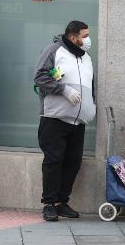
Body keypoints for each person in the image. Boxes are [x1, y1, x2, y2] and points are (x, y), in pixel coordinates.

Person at [34, 20, 96, 222]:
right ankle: (49, 204)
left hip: (78, 121)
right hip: (55, 118)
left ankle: (62, 202)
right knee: (54, 161)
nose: (88, 39)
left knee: (73, 162)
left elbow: (90, 85)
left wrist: (91, 106)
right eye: (84, 35)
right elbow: (40, 77)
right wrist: (64, 90)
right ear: (73, 37)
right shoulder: (54, 50)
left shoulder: (86, 57)